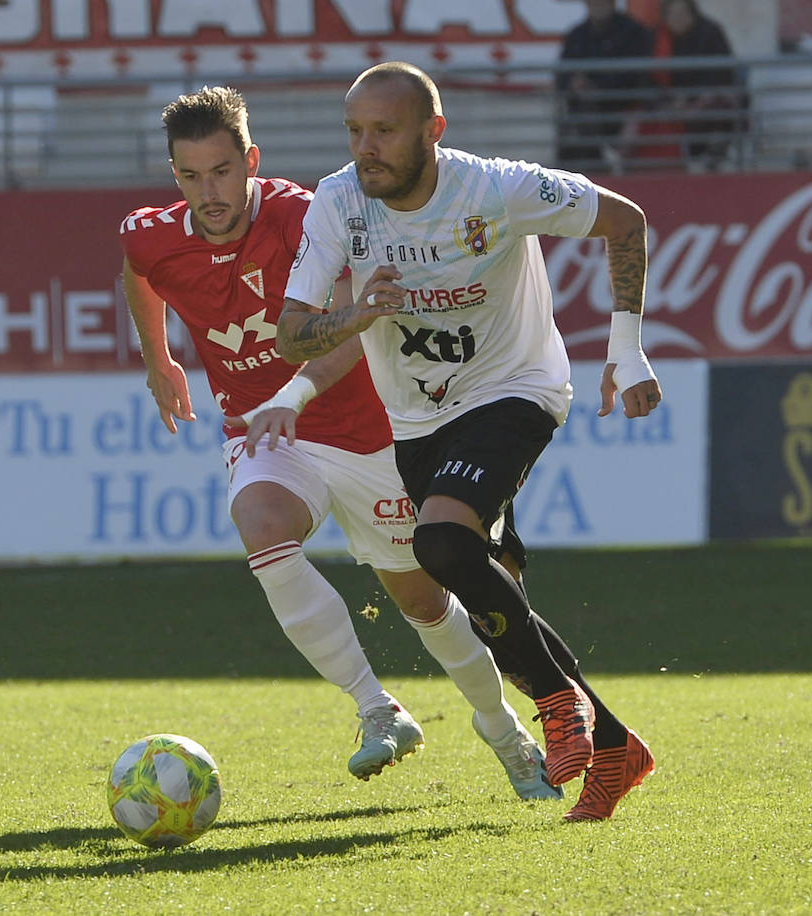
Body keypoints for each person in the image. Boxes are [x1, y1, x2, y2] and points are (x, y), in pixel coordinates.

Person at [119, 86, 563, 800]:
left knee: (422, 603)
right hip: (268, 432)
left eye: (223, 171)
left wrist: (297, 386)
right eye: (191, 175)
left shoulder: (306, 216)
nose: (209, 191)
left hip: (371, 436)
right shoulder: (150, 232)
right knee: (261, 527)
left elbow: (366, 326)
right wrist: (158, 359)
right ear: (174, 174)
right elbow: (138, 271)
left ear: (251, 162)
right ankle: (376, 708)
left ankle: (505, 733)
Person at [277, 62, 659, 821]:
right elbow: (292, 334)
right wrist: (357, 316)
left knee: (443, 547)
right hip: (418, 424)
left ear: (433, 132)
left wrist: (627, 351)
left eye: (384, 131)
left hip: (516, 390)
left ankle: (558, 705)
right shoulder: (339, 201)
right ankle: (613, 745)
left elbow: (626, 221)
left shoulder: (496, 189)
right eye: (355, 131)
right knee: (493, 589)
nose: (366, 148)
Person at [557, 0, 657, 172]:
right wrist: (574, 83)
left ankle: (610, 162)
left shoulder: (633, 31)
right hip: (586, 111)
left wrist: (598, 87)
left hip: (624, 108)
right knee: (577, 126)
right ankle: (598, 168)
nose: (598, 6)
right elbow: (563, 74)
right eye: (594, 3)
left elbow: (638, 74)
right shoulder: (577, 35)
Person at [655, 0, 744, 170]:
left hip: (709, 106)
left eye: (682, 14)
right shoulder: (661, 39)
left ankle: (712, 162)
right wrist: (673, 100)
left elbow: (721, 75)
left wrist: (692, 100)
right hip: (673, 107)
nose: (677, 20)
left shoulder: (711, 33)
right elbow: (654, 78)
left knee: (718, 116)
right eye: (672, 15)